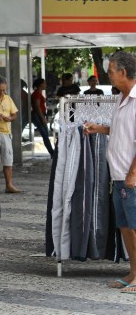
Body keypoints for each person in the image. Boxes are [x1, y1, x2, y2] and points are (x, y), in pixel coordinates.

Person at [83, 51, 136, 293]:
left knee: (134, 228)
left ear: (124, 72)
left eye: (112, 71)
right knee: (125, 227)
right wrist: (99, 129)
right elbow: (120, 131)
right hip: (119, 176)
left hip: (131, 178)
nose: (109, 76)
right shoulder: (120, 99)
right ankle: (133, 272)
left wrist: (133, 174)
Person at [31, 78, 55, 157]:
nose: (45, 85)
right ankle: (52, 153)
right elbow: (37, 107)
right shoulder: (36, 94)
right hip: (38, 115)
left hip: (41, 115)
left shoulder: (39, 93)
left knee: (46, 135)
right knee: (45, 135)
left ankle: (52, 152)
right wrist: (42, 118)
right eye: (44, 83)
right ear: (40, 85)